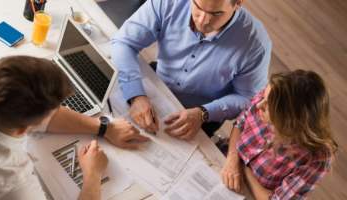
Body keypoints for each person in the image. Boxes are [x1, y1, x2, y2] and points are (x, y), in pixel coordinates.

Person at [0, 56, 149, 200]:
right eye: (52, 111)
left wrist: (104, 127)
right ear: (22, 130)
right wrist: (92, 177)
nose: (58, 112)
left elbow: (47, 115)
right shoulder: (12, 183)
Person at [111, 0, 271, 139]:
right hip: (156, 84)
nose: (203, 21)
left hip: (202, 114)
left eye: (216, 13)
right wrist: (136, 95)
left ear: (238, 3)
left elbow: (248, 97)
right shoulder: (168, 3)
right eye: (197, 6)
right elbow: (124, 43)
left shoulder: (256, 44)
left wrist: (203, 113)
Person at [218, 70, 337, 199]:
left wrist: (243, 169)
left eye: (269, 105)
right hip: (221, 158)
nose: (259, 104)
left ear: (291, 119)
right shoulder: (268, 96)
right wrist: (233, 157)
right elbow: (239, 125)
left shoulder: (315, 159)